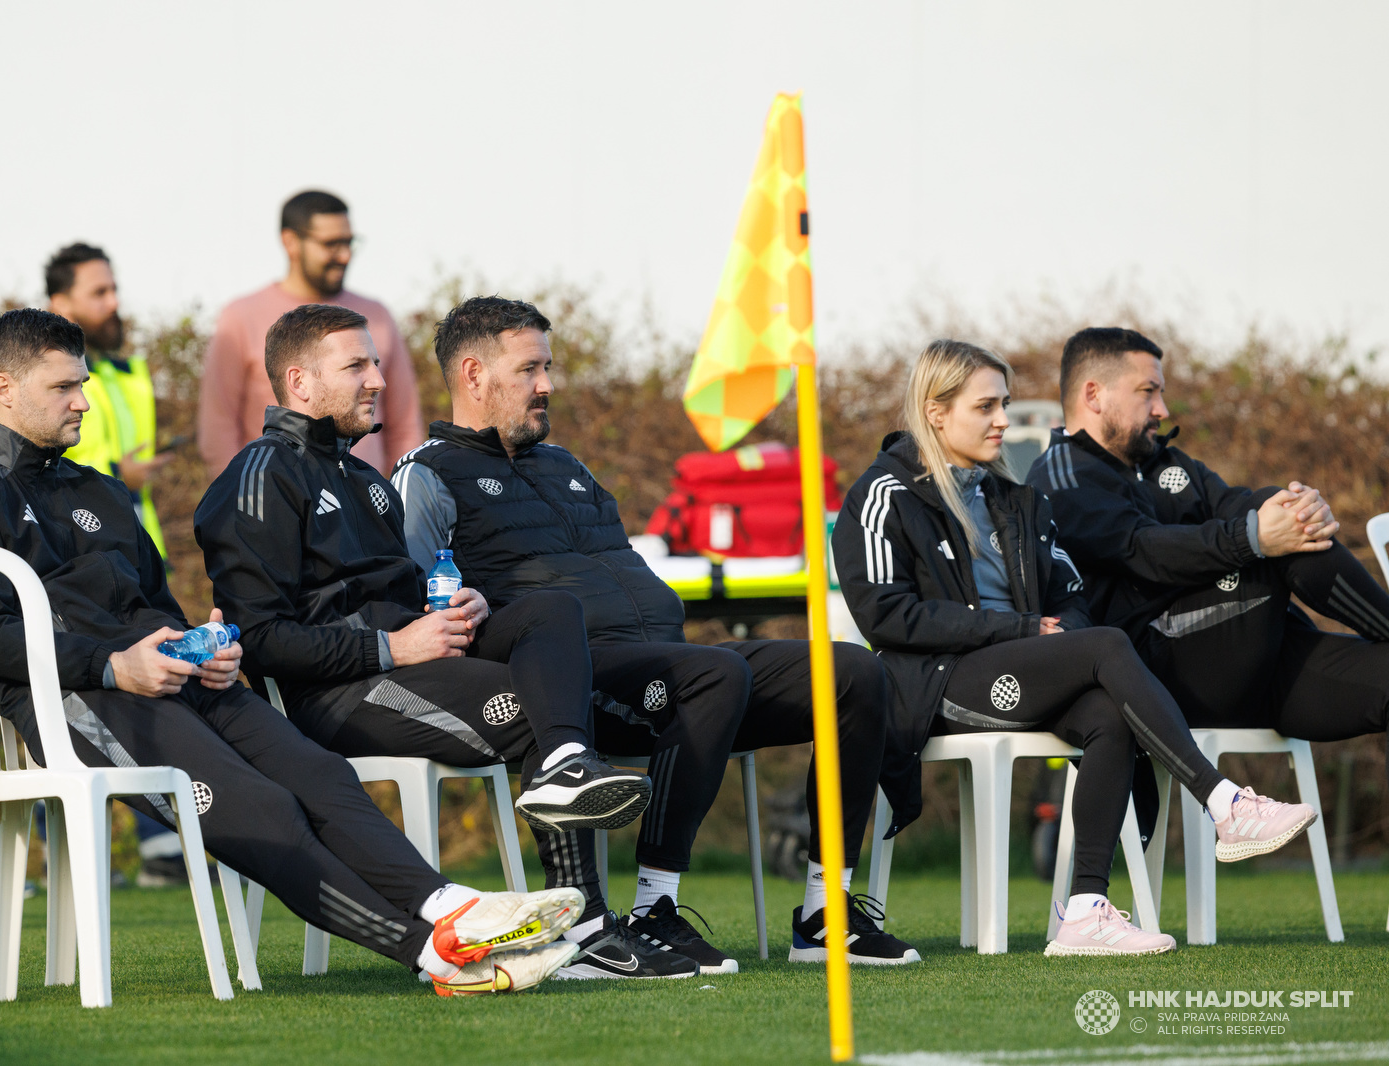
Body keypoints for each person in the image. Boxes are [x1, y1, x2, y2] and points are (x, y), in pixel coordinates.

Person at [0, 307, 584, 996]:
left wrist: (207, 647)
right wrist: (113, 666)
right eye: (63, 388)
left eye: (81, 383)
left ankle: (451, 908)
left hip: (172, 679)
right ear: (3, 390)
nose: (84, 400)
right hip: (74, 700)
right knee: (261, 809)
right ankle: (437, 955)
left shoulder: (103, 493)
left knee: (321, 776)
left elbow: (153, 609)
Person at [393, 296, 914, 972]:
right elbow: (415, 608)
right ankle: (654, 911)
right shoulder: (428, 474)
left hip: (670, 666)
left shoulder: (568, 467)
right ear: (472, 374)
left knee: (849, 671)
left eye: (548, 367)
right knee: (713, 675)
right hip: (576, 681)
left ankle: (824, 913)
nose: (547, 385)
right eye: (529, 370)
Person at [193, 303, 683, 980]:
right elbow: (265, 641)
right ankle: (590, 930)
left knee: (548, 612)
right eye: (357, 365)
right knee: (529, 701)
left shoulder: (366, 481)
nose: (379, 380)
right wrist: (393, 648)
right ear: (300, 382)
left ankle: (566, 768)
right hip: (336, 699)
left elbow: (400, 602)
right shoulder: (257, 478)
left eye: (376, 363)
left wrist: (458, 609)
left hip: (411, 666)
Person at [833, 339, 1318, 957]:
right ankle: (1225, 804)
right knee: (1106, 648)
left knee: (1108, 709)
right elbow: (886, 616)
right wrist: (1020, 631)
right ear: (935, 411)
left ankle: (1085, 910)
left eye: (1003, 404)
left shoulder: (1018, 500)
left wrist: (1052, 632)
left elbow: (1070, 595)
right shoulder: (883, 494)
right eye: (986, 407)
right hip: (935, 681)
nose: (1003, 420)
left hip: (1024, 666)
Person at [1027, 327, 1388, 749]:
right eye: (1148, 391)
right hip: (1167, 672)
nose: (1161, 408)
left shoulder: (1168, 461)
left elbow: (1234, 505)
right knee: (1271, 513)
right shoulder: (1062, 477)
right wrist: (1254, 536)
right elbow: (1142, 549)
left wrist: (1298, 508)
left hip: (1257, 657)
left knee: (1279, 508)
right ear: (1094, 395)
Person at [46, 241, 183, 886]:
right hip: (68, 563)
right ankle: (63, 853)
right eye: (98, 292)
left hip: (131, 550)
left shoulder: (129, 371)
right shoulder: (46, 380)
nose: (113, 302)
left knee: (156, 673)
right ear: (60, 302)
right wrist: (120, 475)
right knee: (64, 689)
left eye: (113, 289)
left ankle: (162, 849)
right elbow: (50, 473)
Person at [198, 190, 421, 478]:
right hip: (279, 506)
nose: (344, 255)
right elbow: (218, 425)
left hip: (366, 511)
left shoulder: (377, 317)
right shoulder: (241, 318)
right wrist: (245, 501)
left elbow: (405, 423)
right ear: (290, 242)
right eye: (331, 244)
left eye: (349, 242)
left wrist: (394, 500)